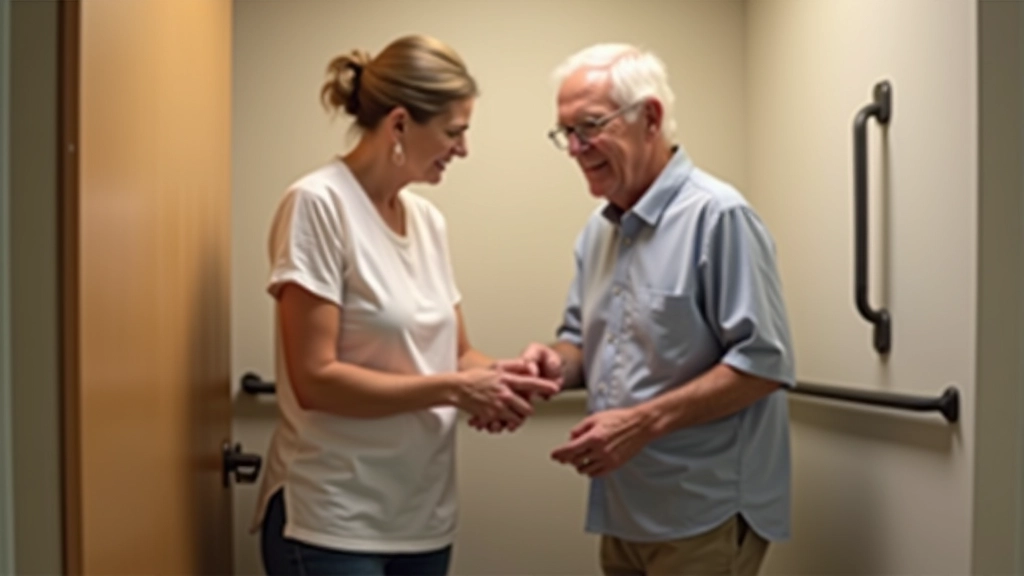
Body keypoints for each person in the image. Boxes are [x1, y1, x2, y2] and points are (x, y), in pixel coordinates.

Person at [251, 35, 560, 576]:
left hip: (421, 518)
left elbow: (455, 355)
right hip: (332, 519)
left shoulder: (427, 221)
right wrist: (456, 389)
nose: (463, 149)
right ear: (399, 124)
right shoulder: (318, 205)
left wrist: (508, 377)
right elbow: (315, 380)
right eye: (454, 132)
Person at [508, 43, 796, 575]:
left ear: (651, 118)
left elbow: (763, 364)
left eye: (590, 126)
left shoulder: (719, 216)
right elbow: (582, 344)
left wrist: (641, 424)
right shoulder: (599, 231)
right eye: (566, 132)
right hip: (624, 508)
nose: (575, 148)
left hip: (702, 511)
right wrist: (552, 364)